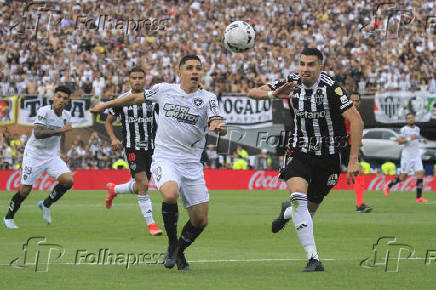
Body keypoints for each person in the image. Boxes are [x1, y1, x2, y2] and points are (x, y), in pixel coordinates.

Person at [90, 55, 227, 271]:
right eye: (189, 68)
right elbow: (134, 98)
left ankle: (180, 250)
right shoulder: (164, 90)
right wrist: (105, 105)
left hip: (192, 163)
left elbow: (217, 120)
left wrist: (219, 126)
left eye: (198, 68)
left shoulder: (208, 98)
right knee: (170, 194)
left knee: (200, 221)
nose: (194, 72)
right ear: (179, 72)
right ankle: (173, 243)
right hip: (165, 157)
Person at [247, 48, 363, 272]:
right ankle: (313, 258)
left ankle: (287, 212)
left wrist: (353, 159)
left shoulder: (332, 89)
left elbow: (356, 121)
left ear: (320, 67)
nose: (305, 69)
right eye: (302, 64)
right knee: (299, 198)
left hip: (329, 156)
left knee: (309, 209)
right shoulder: (291, 82)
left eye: (311, 64)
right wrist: (273, 94)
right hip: (299, 151)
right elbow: (253, 92)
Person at [3, 86, 74, 229]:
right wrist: (60, 130)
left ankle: (46, 204)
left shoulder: (66, 115)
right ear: (54, 97)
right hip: (34, 155)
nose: (60, 100)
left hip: (51, 155)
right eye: (58, 96)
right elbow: (38, 133)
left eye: (64, 98)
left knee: (68, 181)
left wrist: (62, 152)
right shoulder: (44, 111)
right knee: (25, 190)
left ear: (67, 101)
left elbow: (63, 136)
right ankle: (9, 216)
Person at [104, 67, 162, 236]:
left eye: (140, 78)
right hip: (132, 147)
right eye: (134, 78)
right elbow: (108, 122)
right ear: (129, 80)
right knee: (143, 185)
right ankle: (151, 224)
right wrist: (114, 139)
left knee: (139, 186)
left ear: (145, 80)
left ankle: (114, 190)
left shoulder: (153, 99)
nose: (137, 80)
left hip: (152, 148)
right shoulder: (122, 100)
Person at [384, 113, 429, 202]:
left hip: (416, 155)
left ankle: (419, 197)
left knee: (420, 174)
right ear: (406, 120)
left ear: (414, 119)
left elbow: (417, 137)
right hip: (407, 156)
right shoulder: (404, 130)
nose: (410, 119)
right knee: (402, 177)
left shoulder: (417, 129)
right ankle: (389, 185)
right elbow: (399, 142)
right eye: (408, 118)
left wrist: (422, 139)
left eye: (412, 118)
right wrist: (409, 139)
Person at [343, 92, 372, 213]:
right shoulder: (343, 112)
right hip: (340, 145)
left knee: (359, 171)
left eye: (357, 101)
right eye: (352, 100)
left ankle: (360, 204)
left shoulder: (357, 114)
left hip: (349, 147)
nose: (354, 103)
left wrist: (357, 140)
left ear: (359, 102)